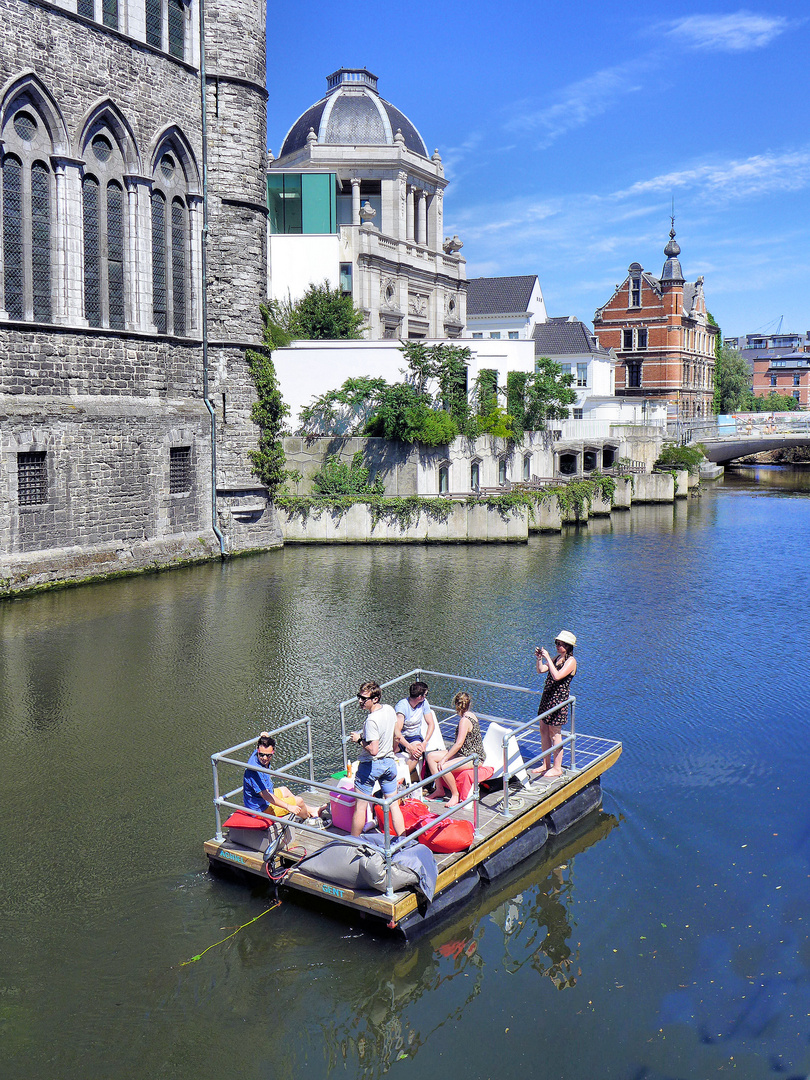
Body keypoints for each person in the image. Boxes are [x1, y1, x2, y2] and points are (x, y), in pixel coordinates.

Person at [349, 681, 406, 838]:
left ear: (375, 699)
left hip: (371, 765)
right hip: (389, 763)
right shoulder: (389, 709)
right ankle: (404, 840)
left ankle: (351, 844)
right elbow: (396, 735)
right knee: (393, 805)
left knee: (360, 807)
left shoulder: (371, 720)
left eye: (364, 698)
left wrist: (359, 739)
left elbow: (373, 750)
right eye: (359, 697)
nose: (360, 701)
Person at [530, 630, 577, 781]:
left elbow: (557, 676)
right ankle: (546, 764)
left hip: (558, 700)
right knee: (543, 729)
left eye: (560, 644)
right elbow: (541, 670)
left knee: (555, 733)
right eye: (556, 643)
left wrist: (547, 658)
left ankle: (557, 768)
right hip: (547, 697)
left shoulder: (571, 661)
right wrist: (539, 659)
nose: (557, 646)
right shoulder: (556, 658)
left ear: (568, 646)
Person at [243, 733, 319, 822]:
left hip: (263, 799)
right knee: (299, 801)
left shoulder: (258, 753)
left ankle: (312, 811)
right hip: (260, 810)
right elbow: (266, 796)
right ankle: (309, 820)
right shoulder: (254, 770)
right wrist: (288, 806)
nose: (264, 758)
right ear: (258, 751)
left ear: (273, 752)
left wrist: (264, 737)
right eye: (262, 755)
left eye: (268, 755)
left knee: (285, 790)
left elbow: (263, 742)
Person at [427, 691, 484, 807]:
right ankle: (439, 789)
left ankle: (455, 795)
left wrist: (445, 759)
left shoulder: (464, 721)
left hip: (472, 757)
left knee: (443, 766)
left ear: (456, 705)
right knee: (431, 757)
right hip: (463, 752)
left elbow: (458, 744)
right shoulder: (470, 715)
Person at [394, 681, 437, 779]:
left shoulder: (424, 703)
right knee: (389, 752)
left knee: (417, 753)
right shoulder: (402, 707)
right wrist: (408, 747)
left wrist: (425, 742)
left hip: (414, 737)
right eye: (425, 695)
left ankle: (401, 779)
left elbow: (431, 724)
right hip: (399, 737)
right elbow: (397, 733)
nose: (426, 697)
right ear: (419, 697)